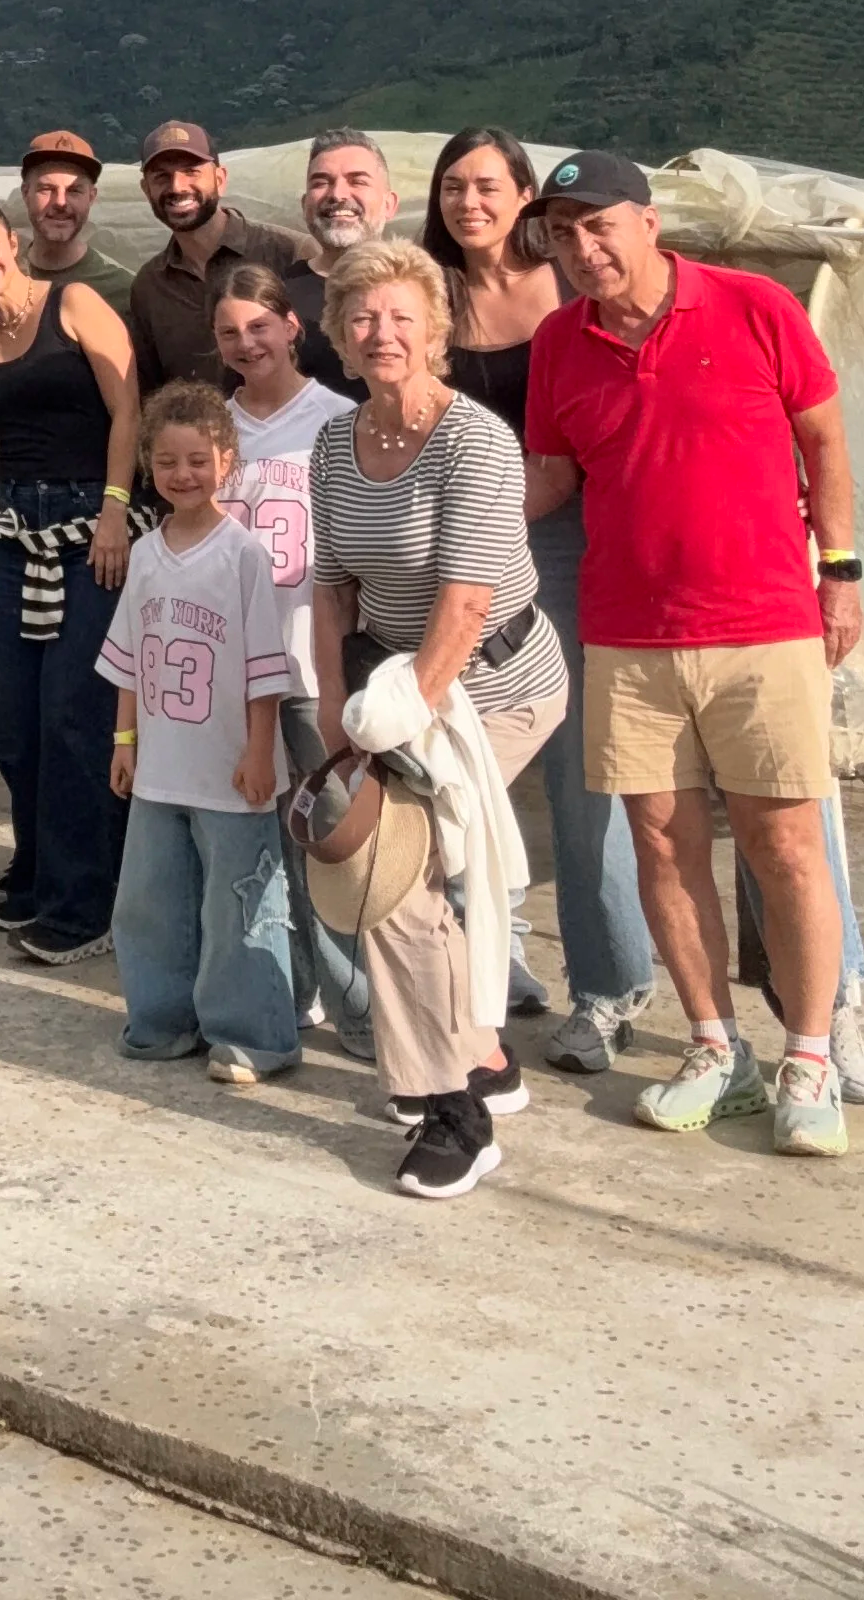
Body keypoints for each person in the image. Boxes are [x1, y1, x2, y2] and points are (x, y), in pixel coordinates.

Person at [524, 150, 863, 1156]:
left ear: (648, 220)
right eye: (562, 233)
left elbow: (826, 439)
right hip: (627, 635)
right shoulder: (557, 344)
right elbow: (547, 479)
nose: (583, 249)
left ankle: (810, 1055)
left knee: (785, 844)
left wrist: (840, 568)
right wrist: (433, 504)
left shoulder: (756, 306)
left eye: (599, 226)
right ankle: (718, 1050)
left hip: (764, 623)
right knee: (662, 848)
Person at [310, 238, 568, 1200]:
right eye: (363, 317)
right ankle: (485, 1063)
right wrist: (340, 719)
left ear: (435, 332)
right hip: (391, 690)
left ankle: (451, 1106)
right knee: (398, 866)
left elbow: (464, 606)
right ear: (338, 335)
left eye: (401, 317)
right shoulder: (335, 443)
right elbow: (332, 592)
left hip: (495, 684)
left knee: (395, 871)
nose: (382, 333)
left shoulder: (477, 443)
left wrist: (396, 721)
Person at [422, 127, 655, 1067]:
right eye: (450, 188)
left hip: (576, 526)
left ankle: (613, 986)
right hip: (472, 540)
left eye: (486, 185)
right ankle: (490, 969)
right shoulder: (430, 294)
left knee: (588, 766)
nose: (468, 203)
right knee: (469, 754)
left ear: (527, 196)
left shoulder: (572, 284)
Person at [0, 194, 141, 965]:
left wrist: (118, 509)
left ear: (15, 241)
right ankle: (35, 870)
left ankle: (85, 904)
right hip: (11, 526)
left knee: (75, 713)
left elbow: (127, 407)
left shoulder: (76, 302)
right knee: (18, 721)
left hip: (92, 519)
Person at [101, 382, 297, 1084]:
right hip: (160, 769)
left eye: (197, 460)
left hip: (229, 769)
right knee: (150, 900)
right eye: (166, 462)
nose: (182, 475)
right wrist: (125, 744)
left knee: (239, 902)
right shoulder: (148, 553)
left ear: (227, 461)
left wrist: (257, 750)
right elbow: (127, 662)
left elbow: (265, 669)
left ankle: (253, 1034)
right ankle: (160, 1020)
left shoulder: (243, 554)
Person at [209, 265, 374, 1062]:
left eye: (259, 327)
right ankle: (288, 989)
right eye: (229, 333)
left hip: (313, 664)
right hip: (241, 675)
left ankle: (365, 1013)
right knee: (258, 844)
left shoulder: (336, 419)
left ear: (292, 327)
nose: (246, 344)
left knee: (332, 839)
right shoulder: (216, 429)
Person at [128, 121, 310, 391]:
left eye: (191, 172)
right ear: (146, 190)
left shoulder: (288, 254)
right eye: (161, 176)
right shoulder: (150, 286)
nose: (177, 187)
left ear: (220, 179)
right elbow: (152, 390)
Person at [288, 129, 396, 402]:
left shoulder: (426, 288)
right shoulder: (275, 298)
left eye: (357, 181)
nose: (337, 194)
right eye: (321, 182)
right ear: (304, 205)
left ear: (389, 204)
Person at [17, 130, 135, 296]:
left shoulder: (122, 291)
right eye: (47, 189)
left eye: (74, 191)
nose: (60, 202)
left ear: (91, 197)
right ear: (25, 193)